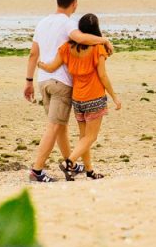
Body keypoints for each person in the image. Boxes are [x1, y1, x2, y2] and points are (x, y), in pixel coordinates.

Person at [25, 0, 113, 182]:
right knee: (55, 126)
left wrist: (29, 80)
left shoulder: (42, 23)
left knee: (60, 127)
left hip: (43, 81)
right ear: (74, 3)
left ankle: (70, 163)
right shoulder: (67, 23)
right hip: (60, 82)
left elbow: (33, 54)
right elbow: (80, 38)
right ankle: (37, 170)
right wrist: (104, 39)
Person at [37, 13, 121, 180]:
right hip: (94, 97)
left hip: (78, 98)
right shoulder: (98, 48)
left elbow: (52, 67)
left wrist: (41, 65)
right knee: (91, 137)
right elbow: (103, 76)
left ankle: (89, 171)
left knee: (84, 138)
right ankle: (69, 162)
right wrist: (114, 96)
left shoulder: (67, 48)